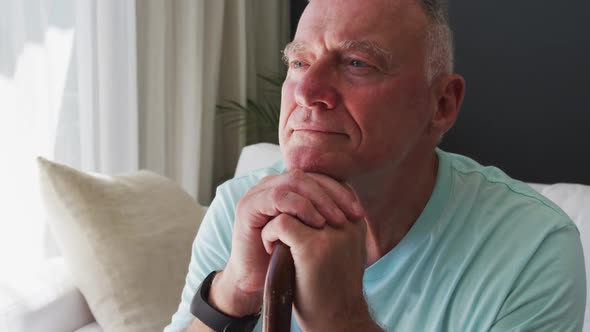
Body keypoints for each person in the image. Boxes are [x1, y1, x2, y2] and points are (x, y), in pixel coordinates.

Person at [166, 0, 586, 331]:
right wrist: (231, 294)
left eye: (356, 63)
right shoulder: (240, 207)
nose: (307, 91)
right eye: (299, 62)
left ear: (441, 104)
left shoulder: (531, 247)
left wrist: (343, 321)